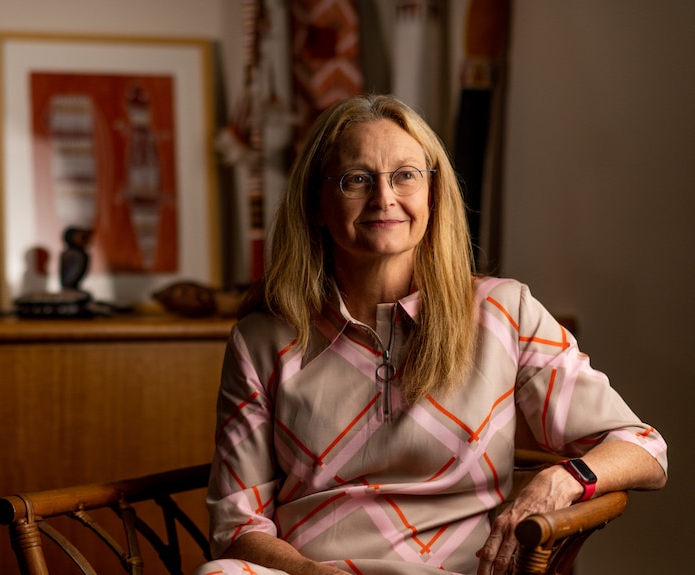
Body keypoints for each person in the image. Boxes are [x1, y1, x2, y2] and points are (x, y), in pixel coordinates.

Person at [196, 94, 667, 575]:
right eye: (357, 179)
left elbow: (645, 448)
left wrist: (561, 480)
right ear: (317, 203)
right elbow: (237, 527)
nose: (385, 198)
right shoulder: (261, 339)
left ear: (432, 195)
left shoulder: (503, 312)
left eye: (406, 175)